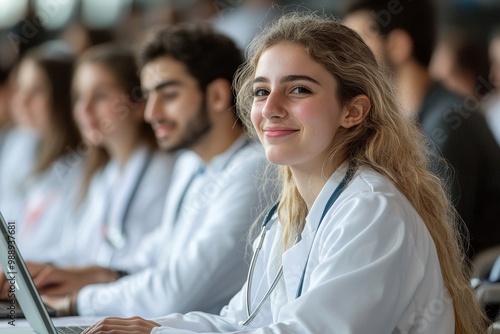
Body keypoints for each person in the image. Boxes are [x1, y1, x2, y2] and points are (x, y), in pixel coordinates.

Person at [81, 12, 487, 334]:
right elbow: (241, 321)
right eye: (261, 91)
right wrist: (153, 327)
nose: (270, 107)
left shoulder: (372, 210)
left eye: (298, 89)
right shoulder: (288, 215)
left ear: (353, 111)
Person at [16, 23, 271, 318]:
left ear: (216, 96)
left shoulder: (254, 171)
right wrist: (75, 274)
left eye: (169, 95)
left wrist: (77, 301)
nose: (151, 113)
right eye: (148, 96)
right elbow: (155, 254)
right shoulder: (191, 164)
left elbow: (176, 290)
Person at [344, 0, 500, 259]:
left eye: (359, 42)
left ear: (398, 46)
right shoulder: (412, 118)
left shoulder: (449, 121)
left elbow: (439, 239)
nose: (347, 59)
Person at [41, 44, 176, 273]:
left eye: (100, 96)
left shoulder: (165, 173)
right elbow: (76, 253)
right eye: (78, 97)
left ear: (137, 104)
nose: (84, 109)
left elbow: (147, 268)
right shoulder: (104, 175)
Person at [3, 44, 82, 262]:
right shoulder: (21, 143)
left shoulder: (81, 168)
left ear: (63, 98)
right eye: (20, 88)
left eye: (36, 91)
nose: (22, 101)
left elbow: (65, 252)